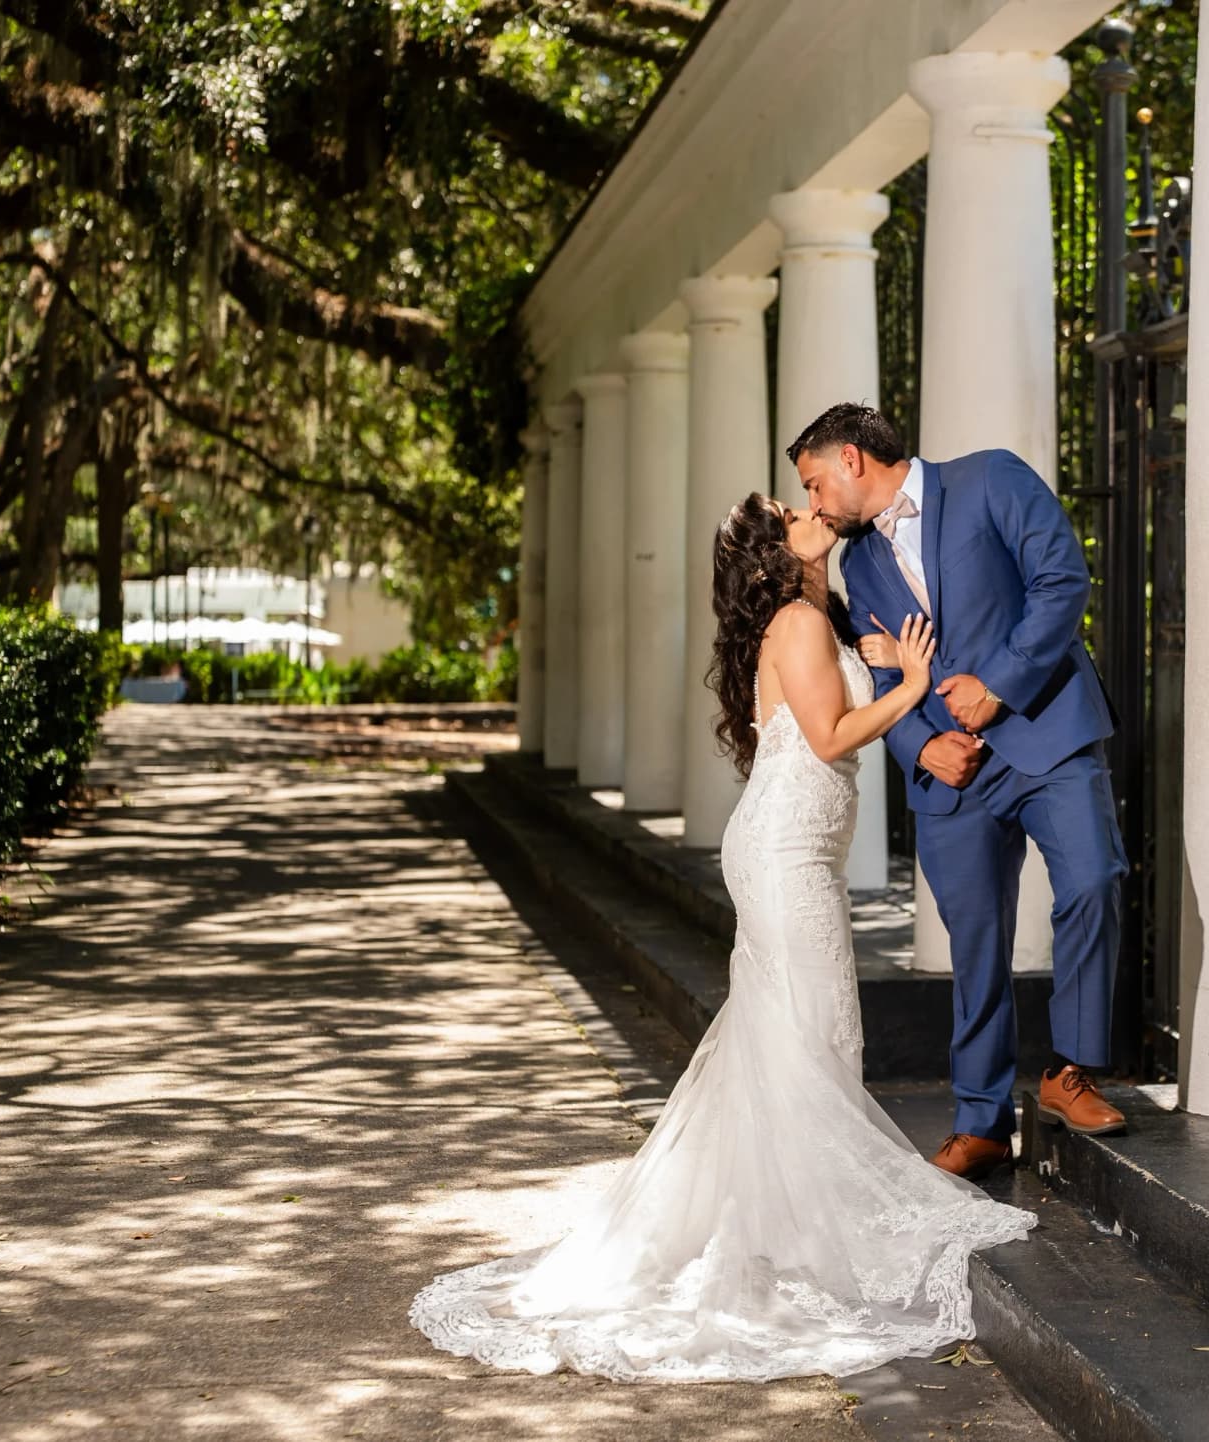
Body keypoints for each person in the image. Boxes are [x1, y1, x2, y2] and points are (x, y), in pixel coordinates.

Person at [410, 492, 1034, 1383]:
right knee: (813, 1034)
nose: (813, 510)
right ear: (782, 551)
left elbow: (825, 700)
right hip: (784, 851)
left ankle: (792, 1228)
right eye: (794, 511)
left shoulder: (819, 617)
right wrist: (909, 688)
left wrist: (880, 654)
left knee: (798, 1035)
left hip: (797, 848)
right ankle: (802, 1241)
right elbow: (827, 736)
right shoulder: (796, 620)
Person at [792, 402, 1131, 1183]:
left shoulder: (990, 480)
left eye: (814, 484)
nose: (814, 504)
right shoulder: (859, 566)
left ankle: (1070, 1072)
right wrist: (921, 744)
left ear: (851, 460)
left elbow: (1061, 581)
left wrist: (1000, 688)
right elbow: (879, 676)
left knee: (1095, 879)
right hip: (953, 775)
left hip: (1045, 732)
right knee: (975, 944)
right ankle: (981, 1120)